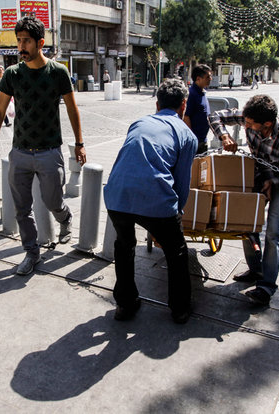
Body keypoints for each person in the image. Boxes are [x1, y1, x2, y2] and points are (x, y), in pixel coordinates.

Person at [0, 16, 86, 275]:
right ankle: (31, 252)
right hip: (19, 152)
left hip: (50, 152)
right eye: (18, 40)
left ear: (40, 43)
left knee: (53, 202)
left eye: (26, 41)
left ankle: (65, 218)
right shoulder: (12, 74)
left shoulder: (58, 72)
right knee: (22, 209)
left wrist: (79, 143)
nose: (21, 46)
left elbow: (73, 109)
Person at [104, 78, 197, 324]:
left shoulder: (139, 122)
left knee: (124, 247)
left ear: (157, 104)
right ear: (183, 105)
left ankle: (125, 305)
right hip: (156, 199)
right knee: (176, 251)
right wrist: (175, 213)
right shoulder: (187, 134)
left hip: (116, 195)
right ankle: (179, 308)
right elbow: (181, 182)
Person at [209, 95, 279, 306]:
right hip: (258, 177)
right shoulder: (249, 117)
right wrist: (225, 136)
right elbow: (215, 116)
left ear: (267, 124)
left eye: (250, 124)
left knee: (273, 231)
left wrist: (273, 181)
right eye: (245, 121)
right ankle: (255, 270)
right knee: (246, 224)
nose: (245, 125)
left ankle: (266, 287)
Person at [183, 64, 212, 154]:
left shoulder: (201, 92)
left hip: (202, 140)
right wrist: (192, 139)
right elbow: (186, 117)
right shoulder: (192, 94)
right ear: (198, 79)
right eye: (207, 77)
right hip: (195, 143)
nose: (210, 79)